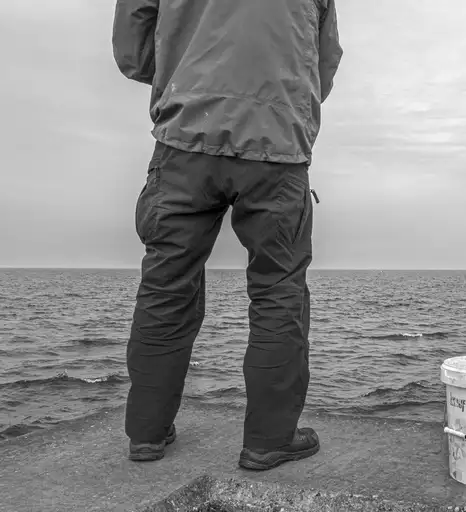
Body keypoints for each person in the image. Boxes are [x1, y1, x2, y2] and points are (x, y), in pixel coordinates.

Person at [111, 0, 343, 470]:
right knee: (280, 292)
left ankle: (148, 434)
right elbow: (326, 60)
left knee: (165, 286)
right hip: (277, 145)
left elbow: (133, 53)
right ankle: (269, 440)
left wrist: (189, 66)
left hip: (184, 138)